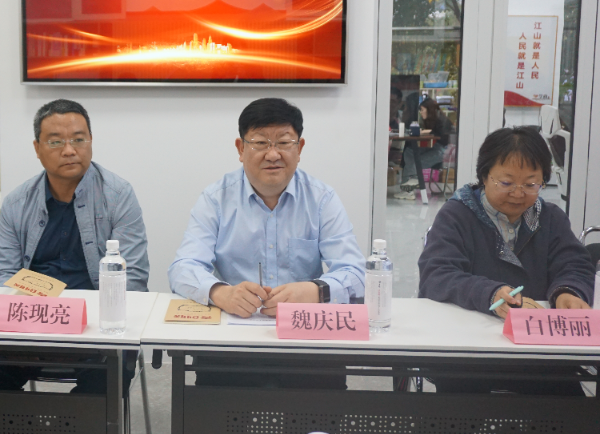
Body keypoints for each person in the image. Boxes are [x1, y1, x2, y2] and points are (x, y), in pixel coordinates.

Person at [168, 98, 365, 388]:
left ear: (300, 148)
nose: (273, 154)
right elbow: (182, 268)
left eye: (284, 143)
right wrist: (221, 292)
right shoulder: (215, 199)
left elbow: (356, 274)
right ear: (240, 148)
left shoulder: (322, 199)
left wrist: (315, 290)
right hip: (233, 344)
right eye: (260, 143)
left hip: (307, 342)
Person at [418, 126, 594, 395]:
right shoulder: (458, 215)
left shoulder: (549, 218)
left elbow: (574, 263)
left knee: (572, 409)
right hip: (467, 353)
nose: (518, 193)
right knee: (458, 411)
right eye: (507, 183)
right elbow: (437, 274)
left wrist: (568, 291)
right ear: (484, 176)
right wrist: (490, 293)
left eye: (531, 184)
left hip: (541, 354)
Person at [0, 99, 149, 393]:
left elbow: (133, 280)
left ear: (91, 141)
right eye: (56, 142)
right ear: (37, 148)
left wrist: (85, 326)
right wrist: (40, 325)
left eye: (79, 139)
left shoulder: (118, 195)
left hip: (99, 332)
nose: (69, 150)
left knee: (101, 392)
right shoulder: (16, 204)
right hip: (32, 328)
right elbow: (5, 278)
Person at [395, 97, 453, 200]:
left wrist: (426, 131)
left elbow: (440, 135)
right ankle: (408, 188)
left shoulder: (442, 121)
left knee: (414, 162)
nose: (421, 112)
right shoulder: (432, 121)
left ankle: (412, 184)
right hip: (435, 149)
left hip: (441, 152)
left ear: (429, 110)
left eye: (422, 110)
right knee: (409, 152)